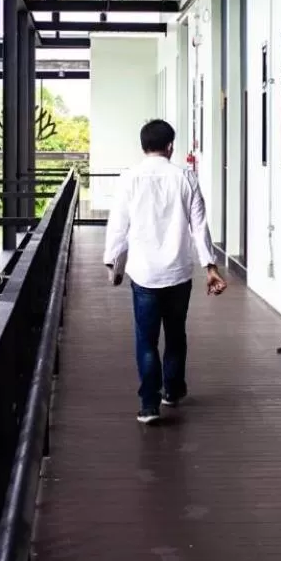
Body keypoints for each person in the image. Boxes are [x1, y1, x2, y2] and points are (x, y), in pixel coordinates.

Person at [103, 119, 227, 424]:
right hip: (178, 272)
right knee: (175, 334)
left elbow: (118, 225)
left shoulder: (129, 178)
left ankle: (148, 405)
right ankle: (171, 391)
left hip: (143, 273)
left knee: (146, 339)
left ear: (143, 146)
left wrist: (113, 263)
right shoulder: (185, 177)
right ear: (170, 146)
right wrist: (210, 267)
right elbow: (199, 226)